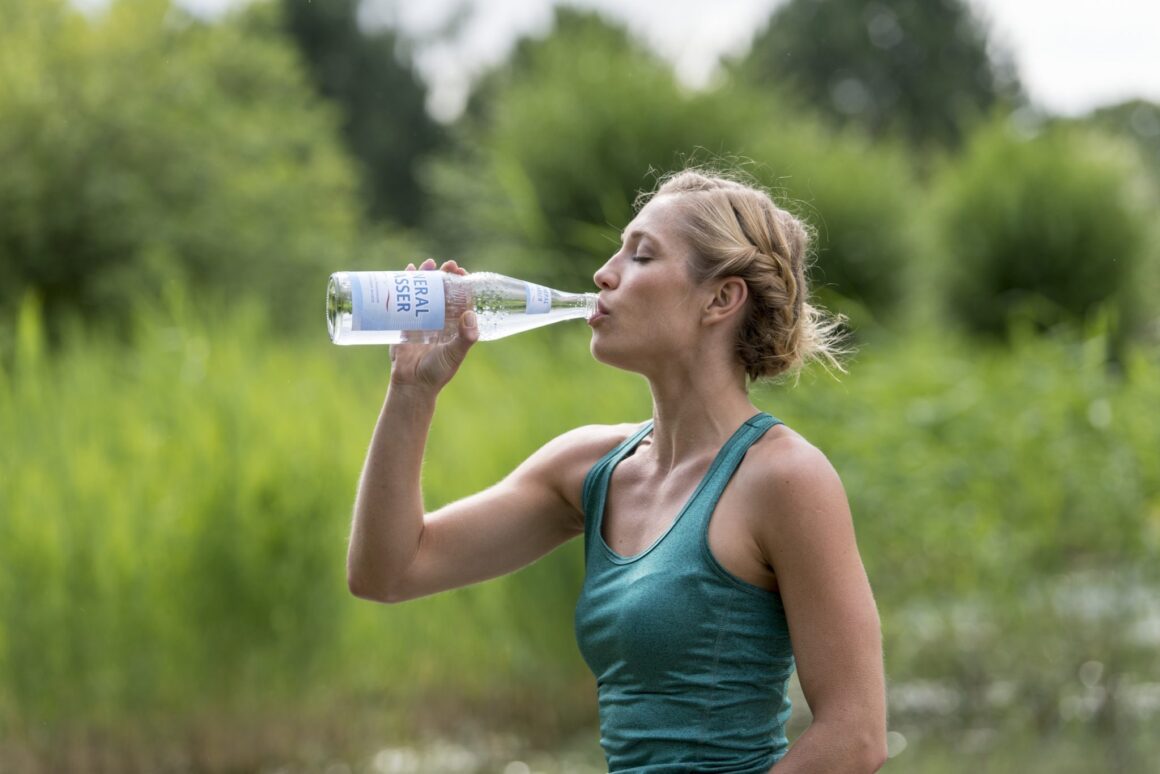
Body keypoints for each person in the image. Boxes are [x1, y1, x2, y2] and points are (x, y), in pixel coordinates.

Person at [346, 168, 887, 773]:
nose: (604, 273)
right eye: (617, 250)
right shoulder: (590, 469)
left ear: (721, 299)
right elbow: (388, 571)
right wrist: (411, 391)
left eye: (642, 255)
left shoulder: (784, 478)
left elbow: (856, 735)